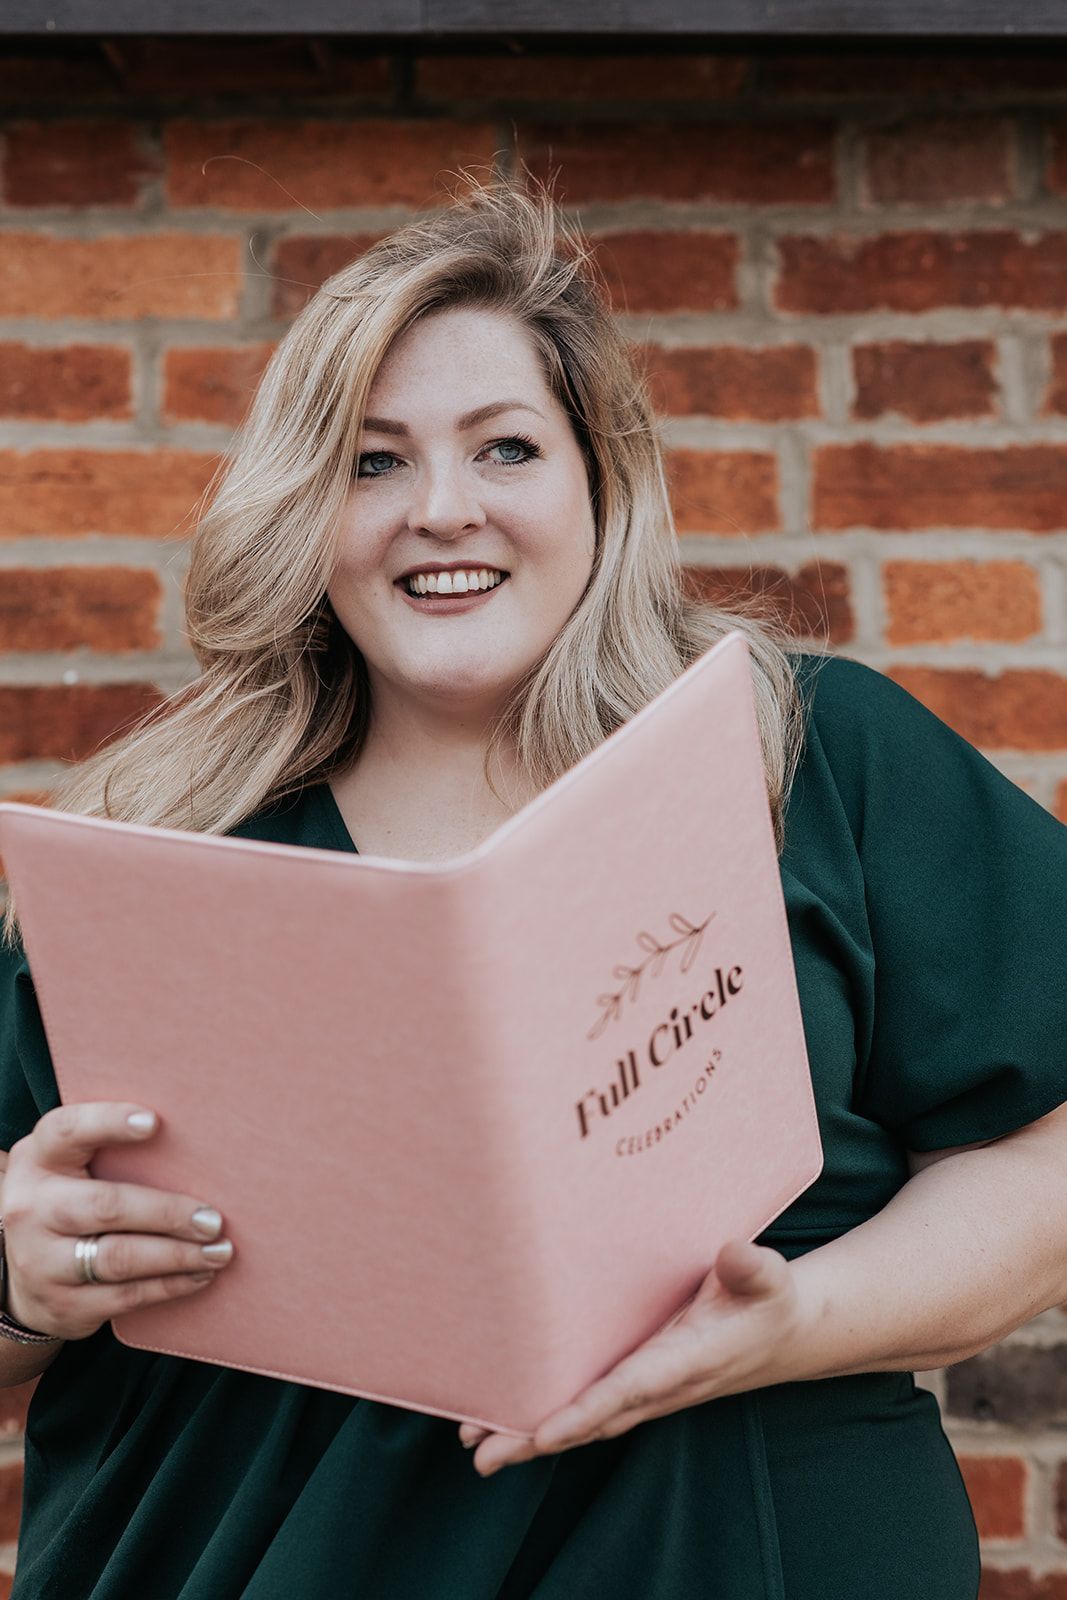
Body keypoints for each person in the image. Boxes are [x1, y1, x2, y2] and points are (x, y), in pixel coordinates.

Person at [0, 178, 1065, 1600]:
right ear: (305, 509)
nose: (444, 512)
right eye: (372, 463)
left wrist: (795, 1318)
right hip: (246, 1553)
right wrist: (20, 1279)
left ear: (597, 482)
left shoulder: (805, 756)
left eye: (505, 448)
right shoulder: (168, 847)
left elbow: (1046, 1166)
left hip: (742, 1546)